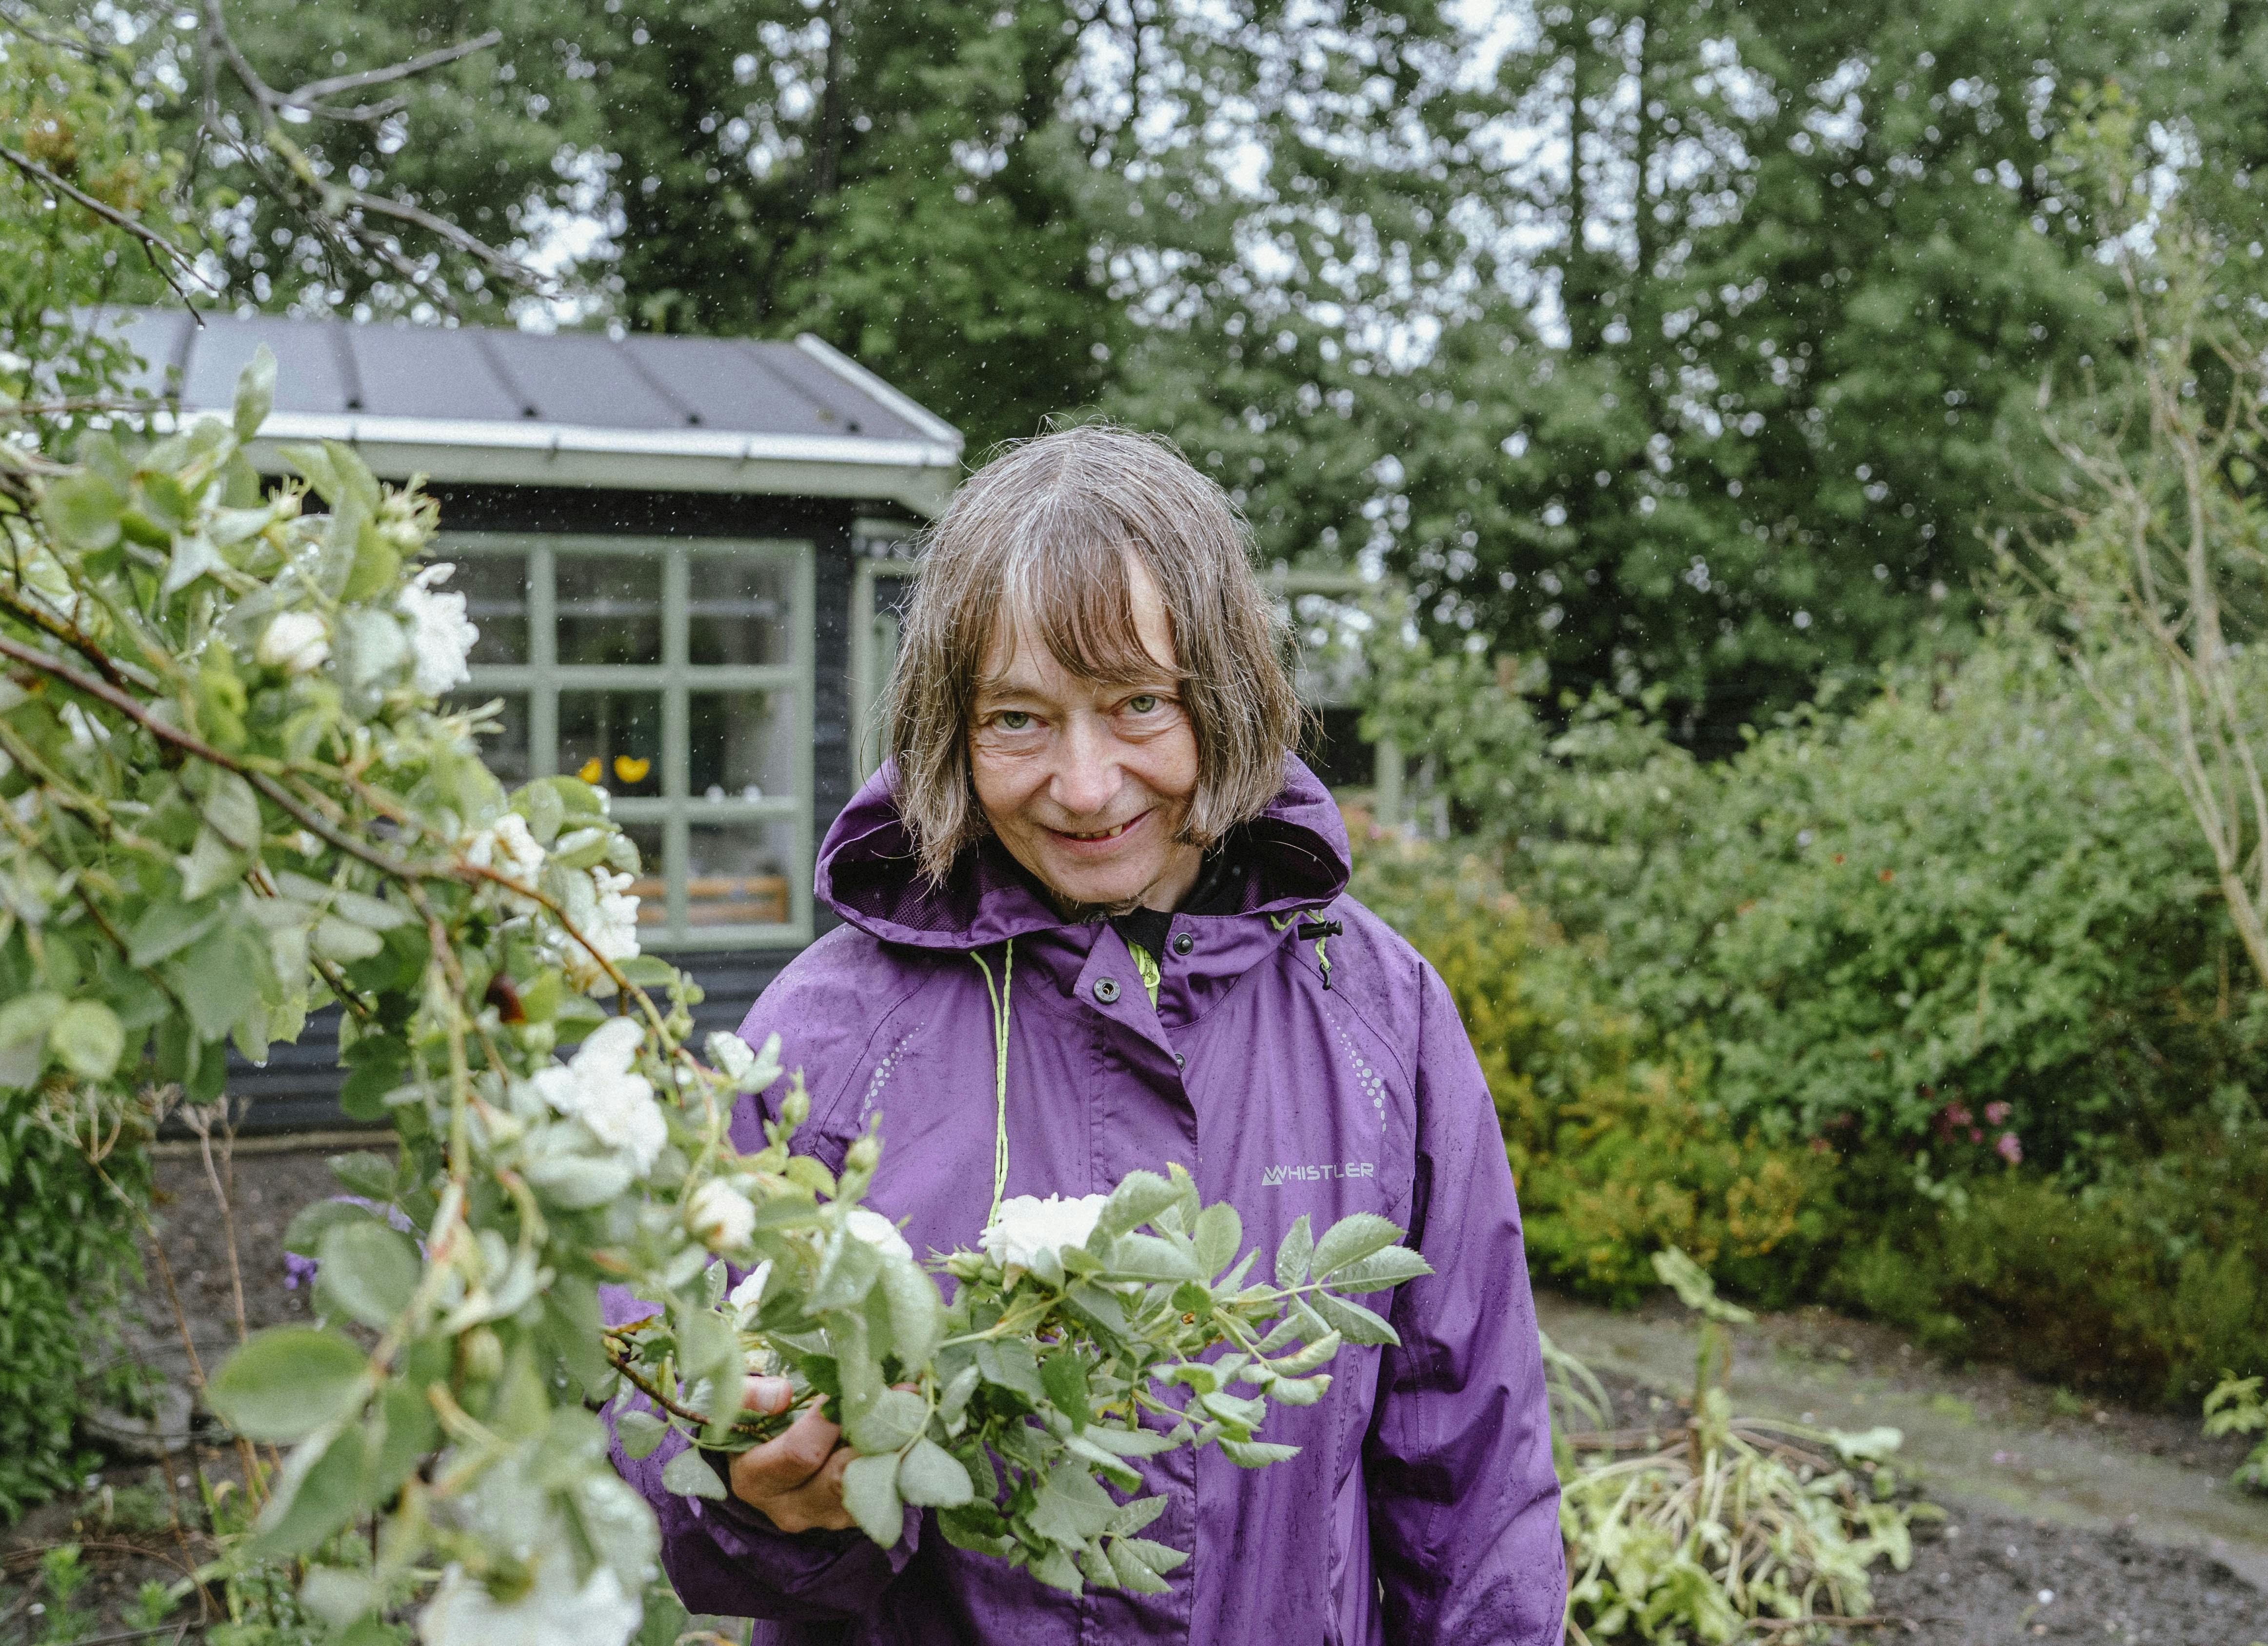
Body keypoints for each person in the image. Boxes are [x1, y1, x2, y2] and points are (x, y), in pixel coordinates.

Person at [617, 425, 1565, 1644]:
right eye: (1018, 717)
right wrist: (762, 1500)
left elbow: (1474, 1487)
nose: (1083, 783)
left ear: (1222, 695)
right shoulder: (830, 1032)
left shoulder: (1375, 1011)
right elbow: (672, 1447)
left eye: (1137, 704)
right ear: (946, 728)